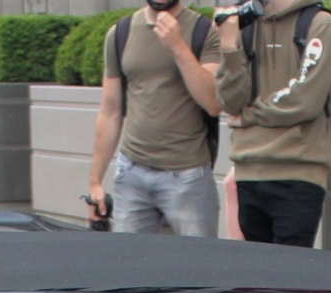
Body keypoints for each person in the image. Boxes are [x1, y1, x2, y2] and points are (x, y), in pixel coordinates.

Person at [85, 0, 232, 237]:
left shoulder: (203, 31)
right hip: (132, 171)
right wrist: (95, 182)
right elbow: (110, 111)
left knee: (198, 267)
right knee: (131, 266)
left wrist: (178, 46)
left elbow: (213, 103)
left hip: (188, 175)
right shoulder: (121, 33)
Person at [214, 0, 331, 247]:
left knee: (291, 277)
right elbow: (231, 102)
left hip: (299, 170)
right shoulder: (243, 24)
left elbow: (304, 100)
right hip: (249, 169)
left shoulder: (319, 23)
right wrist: (229, 46)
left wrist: (249, 116)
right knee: (257, 277)